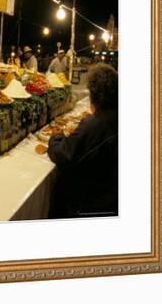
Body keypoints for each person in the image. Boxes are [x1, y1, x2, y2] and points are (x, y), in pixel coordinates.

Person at [47, 64, 118, 218]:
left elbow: (62, 154)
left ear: (94, 95)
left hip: (90, 205)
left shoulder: (95, 125)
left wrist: (55, 137)